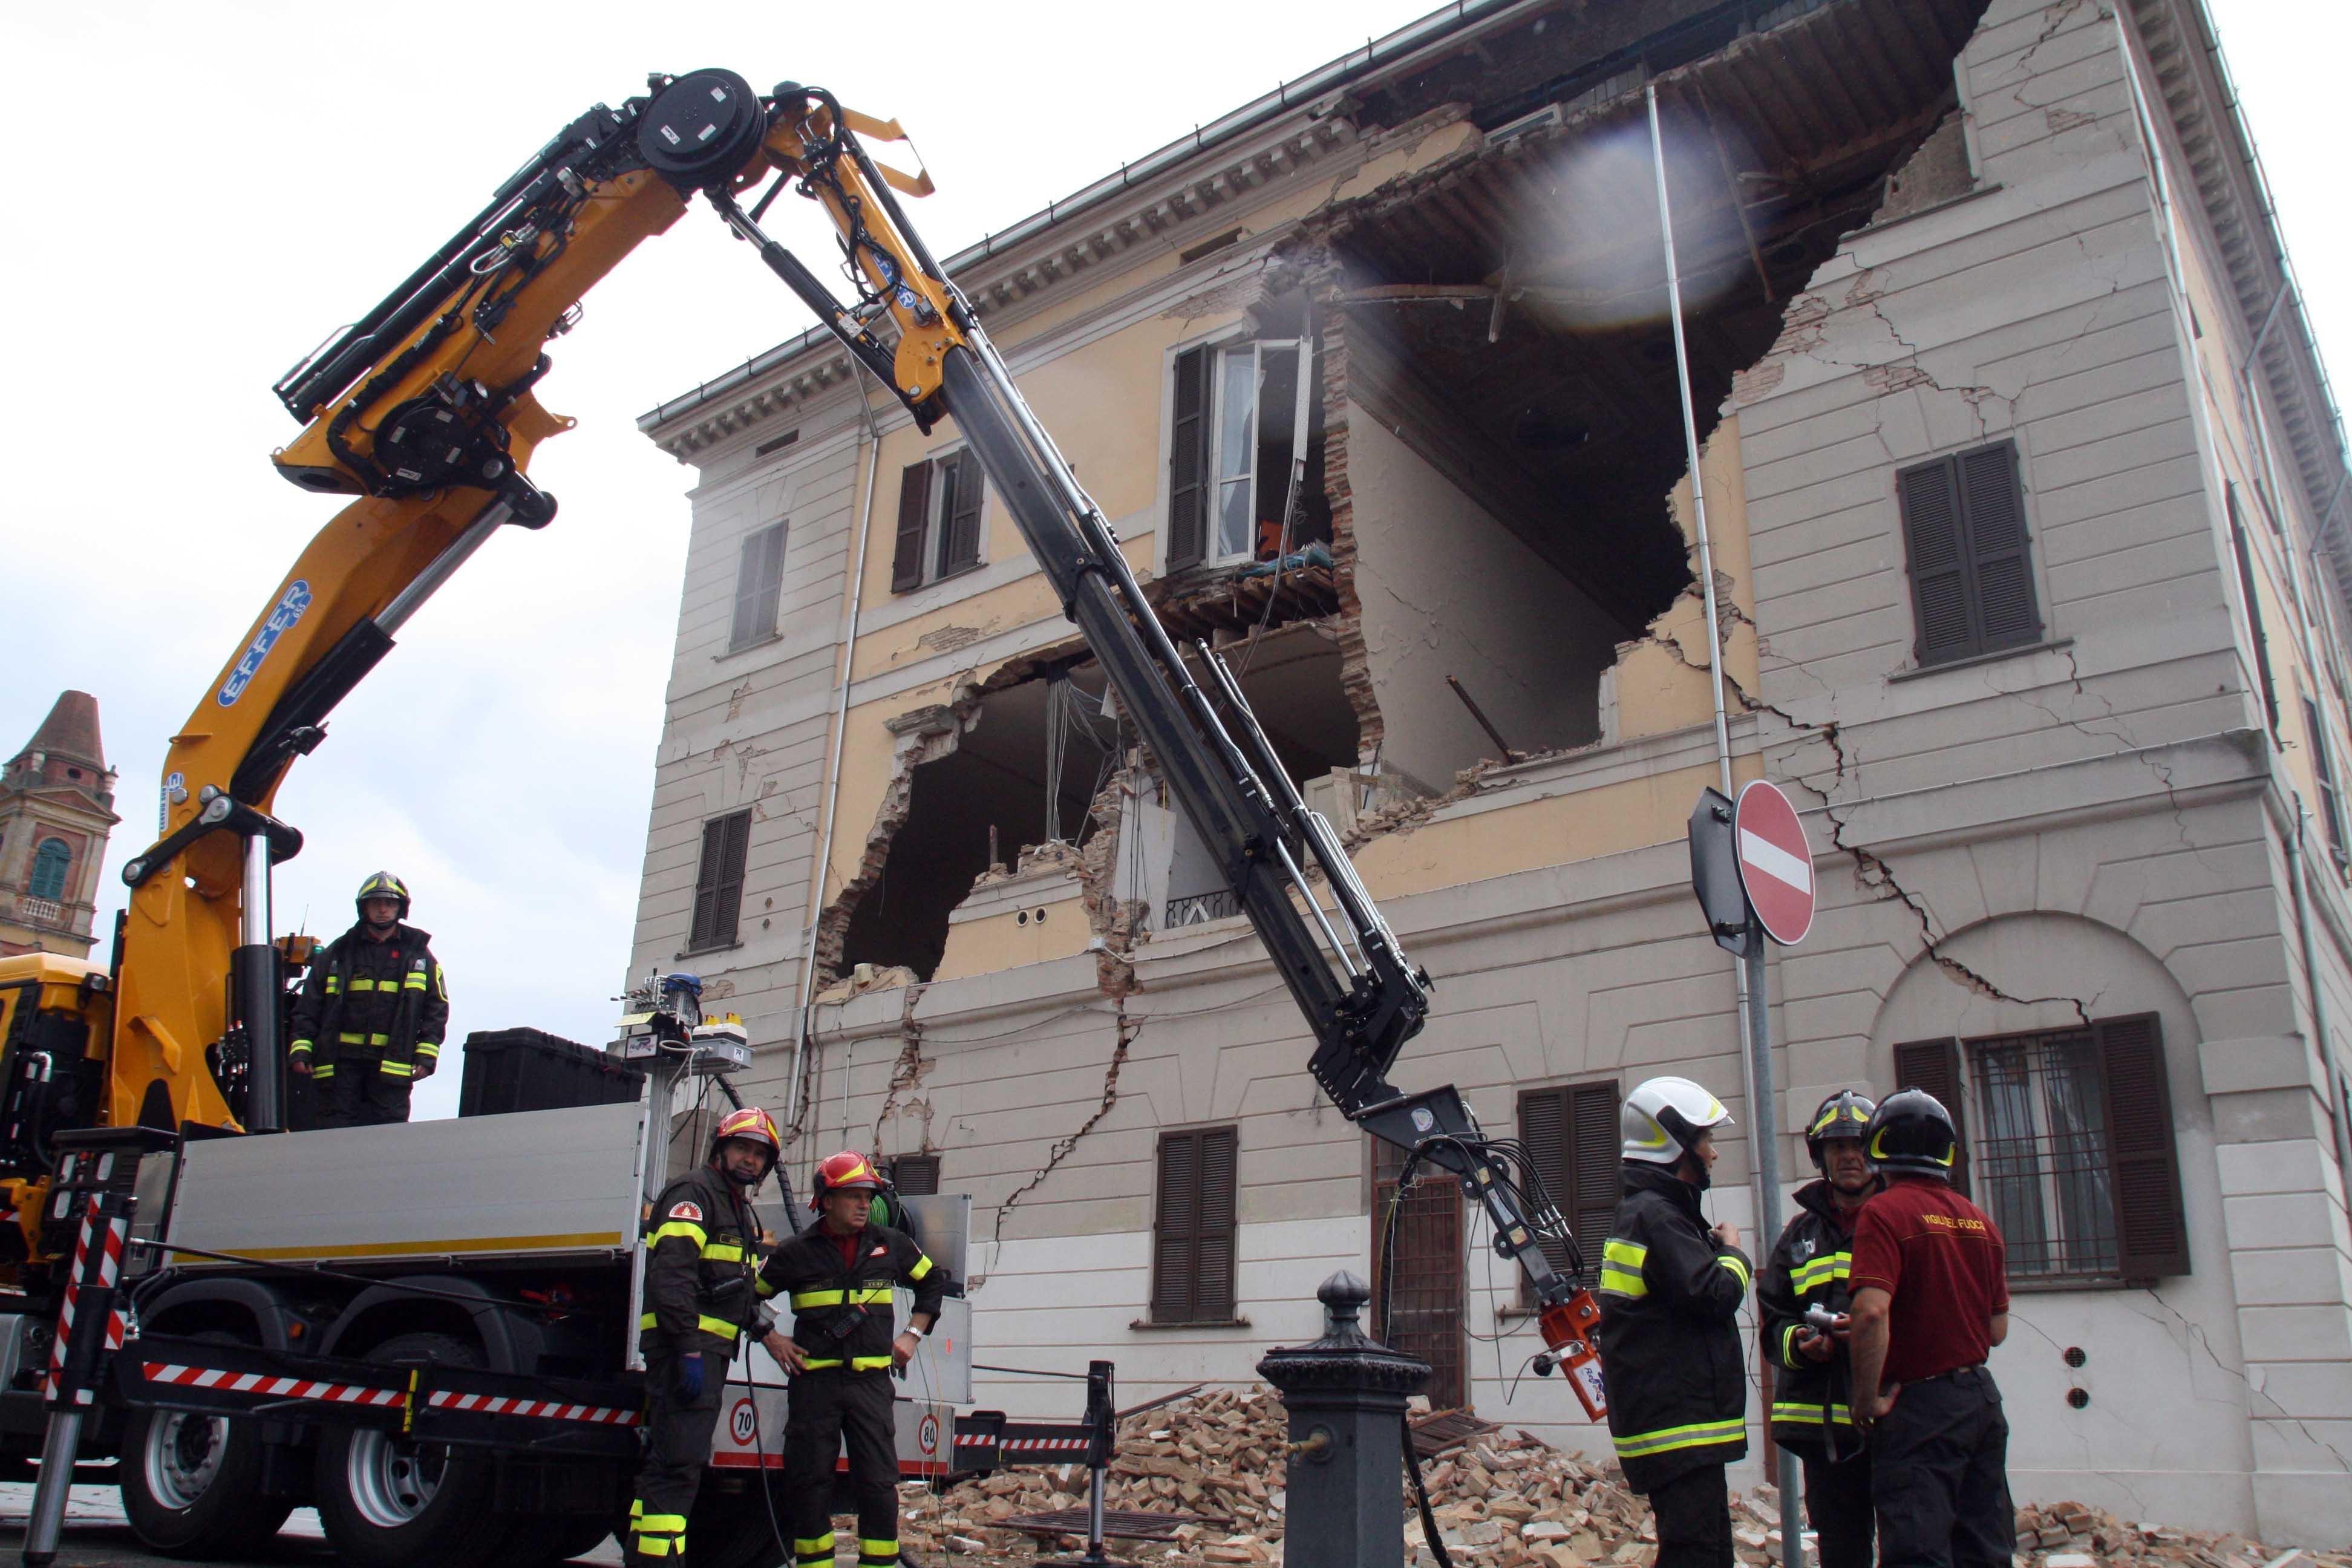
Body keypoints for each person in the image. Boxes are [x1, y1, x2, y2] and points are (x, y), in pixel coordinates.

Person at [1847, 1088, 2014, 1568]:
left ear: (1878, 1147)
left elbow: (1872, 1312)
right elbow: (1996, 1330)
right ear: (1946, 1152)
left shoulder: (1882, 1213)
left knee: (1916, 1552)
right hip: (1980, 1401)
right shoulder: (1981, 1221)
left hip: (1919, 1408)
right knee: (1985, 1548)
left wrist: (1866, 1400)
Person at [759, 1150, 948, 1568]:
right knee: (809, 1485)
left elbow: (933, 1282)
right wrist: (772, 1339)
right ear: (826, 1201)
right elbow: (747, 1297)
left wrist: (913, 1334)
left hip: (870, 1385)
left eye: (868, 1196)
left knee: (879, 1485)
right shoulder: (795, 1253)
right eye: (854, 1196)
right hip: (814, 1387)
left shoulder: (891, 1244)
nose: (864, 1205)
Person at [1595, 1077, 1751, 1568]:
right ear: (1675, 1143)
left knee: (1707, 1553)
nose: (1713, 1154)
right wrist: (1733, 1254)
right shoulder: (1659, 1218)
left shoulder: (1650, 1214)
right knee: (1697, 1556)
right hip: (1680, 1430)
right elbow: (1715, 1294)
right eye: (1706, 1141)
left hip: (1675, 1430)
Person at [624, 1105, 782, 1564]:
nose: (750, 1160)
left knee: (668, 1462)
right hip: (684, 1352)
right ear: (721, 1149)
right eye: (742, 1149)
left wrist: (765, 1330)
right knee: (679, 1466)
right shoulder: (694, 1193)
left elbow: (732, 1289)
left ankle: (644, 1558)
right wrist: (688, 1349)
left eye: (759, 1154)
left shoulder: (735, 1207)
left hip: (705, 1351)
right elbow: (672, 1278)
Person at [1756, 1089, 1881, 1568]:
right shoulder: (1799, 1236)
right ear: (1821, 1157)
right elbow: (1773, 1319)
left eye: (1861, 1145)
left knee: (1913, 1540)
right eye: (1837, 1147)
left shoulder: (1899, 1221)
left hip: (1895, 1419)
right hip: (1823, 1427)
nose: (1850, 1156)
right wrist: (1801, 1345)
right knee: (1841, 1548)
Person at [286, 871, 446, 1127]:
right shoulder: (338, 952)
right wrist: (302, 1048)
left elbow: (436, 1010)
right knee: (335, 1132)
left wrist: (426, 1055)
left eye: (390, 903)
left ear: (400, 908)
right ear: (365, 908)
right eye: (376, 903)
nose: (383, 910)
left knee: (387, 1136)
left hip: (392, 1065)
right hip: (340, 1066)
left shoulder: (419, 955)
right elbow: (310, 1006)